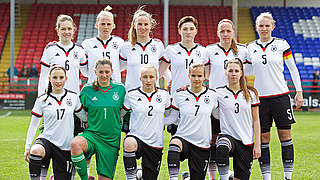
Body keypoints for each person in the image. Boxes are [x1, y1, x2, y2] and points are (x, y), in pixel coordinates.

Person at [247, 12, 303, 180]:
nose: (264, 29)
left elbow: (292, 68)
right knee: (263, 137)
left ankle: (287, 177)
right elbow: (249, 70)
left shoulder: (281, 44)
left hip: (281, 97)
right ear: (256, 27)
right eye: (261, 26)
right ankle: (267, 177)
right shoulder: (250, 47)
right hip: (260, 99)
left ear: (273, 26)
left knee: (285, 136)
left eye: (267, 25)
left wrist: (298, 92)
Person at [205, 19, 252, 180]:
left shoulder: (243, 51)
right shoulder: (209, 50)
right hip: (215, 103)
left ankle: (233, 173)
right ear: (218, 33)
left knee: (235, 138)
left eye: (228, 31)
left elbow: (252, 69)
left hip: (234, 103)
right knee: (213, 142)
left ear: (233, 32)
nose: (225, 34)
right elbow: (203, 73)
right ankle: (213, 177)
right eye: (222, 31)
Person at [24, 65, 86, 180]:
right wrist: (28, 147)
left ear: (66, 79)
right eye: (55, 77)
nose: (58, 81)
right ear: (49, 78)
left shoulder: (73, 97)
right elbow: (33, 125)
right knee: (36, 150)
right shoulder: (42, 99)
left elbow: (84, 117)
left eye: (61, 77)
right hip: (47, 141)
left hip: (66, 146)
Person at [70, 58, 126, 180]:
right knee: (75, 144)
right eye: (101, 72)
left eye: (107, 72)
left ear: (112, 71)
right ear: (95, 72)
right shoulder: (87, 90)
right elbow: (77, 111)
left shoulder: (120, 89)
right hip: (92, 135)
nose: (104, 75)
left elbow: (126, 111)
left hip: (111, 139)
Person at [166, 63, 218, 180]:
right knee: (174, 145)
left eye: (199, 76)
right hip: (183, 138)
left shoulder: (213, 95)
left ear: (204, 77)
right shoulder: (179, 94)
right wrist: (155, 121)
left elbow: (218, 116)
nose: (196, 79)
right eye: (193, 75)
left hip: (202, 144)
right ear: (188, 76)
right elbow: (173, 118)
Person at [122, 64, 171, 180]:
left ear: (156, 78)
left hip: (155, 142)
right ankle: (132, 178)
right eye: (145, 77)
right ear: (140, 78)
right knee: (128, 143)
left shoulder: (164, 95)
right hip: (136, 138)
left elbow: (170, 114)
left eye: (151, 77)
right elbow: (121, 114)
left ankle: (140, 174)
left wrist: (161, 123)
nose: (148, 80)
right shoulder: (131, 95)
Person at [215, 58, 261, 180]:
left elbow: (256, 121)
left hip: (246, 141)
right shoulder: (218, 93)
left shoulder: (251, 94)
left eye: (236, 71)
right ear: (226, 72)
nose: (233, 74)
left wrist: (257, 145)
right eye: (230, 71)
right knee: (222, 146)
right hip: (228, 137)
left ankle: (230, 176)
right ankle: (224, 177)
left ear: (241, 73)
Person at [38, 14, 88, 96]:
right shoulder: (49, 49)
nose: (66, 32)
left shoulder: (80, 50)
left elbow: (86, 73)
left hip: (74, 98)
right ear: (58, 31)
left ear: (74, 30)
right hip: (54, 98)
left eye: (69, 29)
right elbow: (43, 77)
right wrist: (41, 97)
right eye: (63, 29)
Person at [158, 16, 209, 95]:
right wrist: (170, 79)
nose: (188, 32)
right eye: (185, 29)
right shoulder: (171, 49)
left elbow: (207, 76)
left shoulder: (203, 51)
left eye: (191, 29)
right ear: (179, 31)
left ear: (196, 31)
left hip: (197, 96)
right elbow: (160, 72)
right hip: (176, 95)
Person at [119, 7, 164, 91]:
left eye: (146, 24)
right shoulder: (125, 47)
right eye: (139, 24)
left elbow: (162, 69)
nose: (143, 27)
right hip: (131, 94)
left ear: (150, 26)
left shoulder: (158, 45)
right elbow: (118, 68)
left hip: (153, 93)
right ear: (134, 25)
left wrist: (171, 80)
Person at [82, 5, 124, 84]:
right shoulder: (87, 44)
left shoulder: (120, 43)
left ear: (113, 26)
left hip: (114, 87)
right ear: (96, 25)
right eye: (102, 24)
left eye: (108, 24)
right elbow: (85, 71)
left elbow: (121, 66)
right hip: (94, 87)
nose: (106, 27)